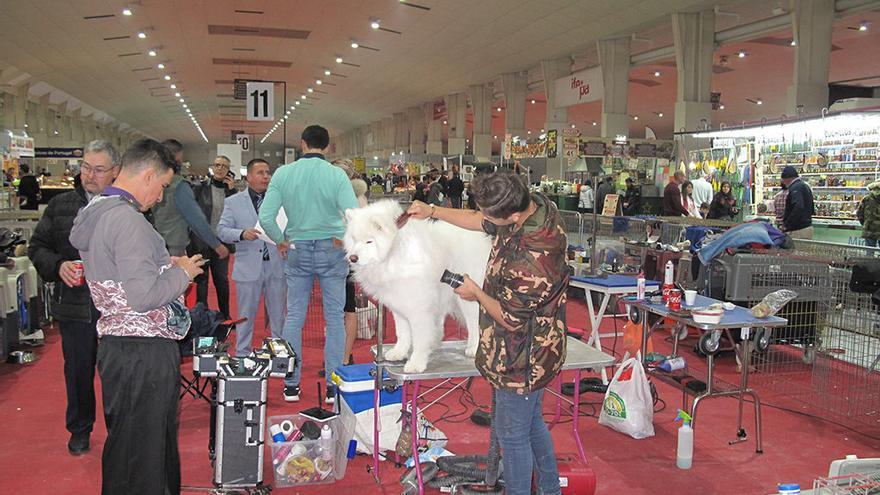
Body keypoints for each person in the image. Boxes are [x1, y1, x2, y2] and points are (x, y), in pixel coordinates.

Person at [406, 170, 567, 495]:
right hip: (528, 347)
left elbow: (512, 319)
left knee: (512, 436)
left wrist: (476, 293)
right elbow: (479, 220)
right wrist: (432, 211)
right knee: (531, 424)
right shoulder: (532, 204)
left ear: (513, 215)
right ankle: (550, 490)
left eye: (491, 215)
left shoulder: (533, 257)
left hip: (523, 357)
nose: (484, 220)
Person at [69, 138, 205, 495]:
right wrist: (183, 273)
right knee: (142, 453)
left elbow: (121, 273)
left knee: (132, 446)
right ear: (147, 176)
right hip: (142, 350)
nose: (160, 197)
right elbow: (143, 296)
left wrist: (163, 265)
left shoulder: (98, 212)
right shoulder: (129, 221)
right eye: (161, 187)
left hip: (121, 347)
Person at [27, 140, 120, 456]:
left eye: (98, 169)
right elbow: (37, 247)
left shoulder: (127, 207)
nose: (89, 175)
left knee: (116, 371)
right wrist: (58, 265)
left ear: (115, 172)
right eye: (85, 167)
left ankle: (118, 428)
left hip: (116, 308)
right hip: (75, 305)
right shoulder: (60, 205)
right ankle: (80, 429)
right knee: (78, 370)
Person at [259, 125, 359, 403]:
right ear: (326, 147)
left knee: (294, 316)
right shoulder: (337, 175)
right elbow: (354, 215)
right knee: (334, 318)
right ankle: (332, 384)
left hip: (296, 248)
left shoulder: (283, 173)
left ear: (302, 144)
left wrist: (280, 240)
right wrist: (343, 238)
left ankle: (291, 383)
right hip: (332, 249)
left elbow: (266, 216)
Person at [217, 158, 287, 356]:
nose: (266, 176)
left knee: (278, 316)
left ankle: (278, 355)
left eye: (267, 172)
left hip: (276, 266)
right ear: (248, 177)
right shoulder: (233, 202)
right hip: (248, 268)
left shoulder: (280, 201)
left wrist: (286, 242)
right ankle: (242, 355)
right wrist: (241, 234)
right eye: (260, 173)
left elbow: (289, 229)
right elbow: (222, 230)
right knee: (245, 316)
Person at [151, 139, 230, 261]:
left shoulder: (151, 180)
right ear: (176, 158)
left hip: (153, 242)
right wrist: (217, 245)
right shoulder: (179, 185)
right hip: (172, 247)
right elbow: (195, 219)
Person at [189, 155, 237, 318]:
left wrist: (231, 191)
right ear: (212, 167)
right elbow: (191, 214)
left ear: (228, 171)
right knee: (201, 280)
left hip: (221, 243)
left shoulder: (231, 192)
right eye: (217, 165)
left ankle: (225, 315)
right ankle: (202, 316)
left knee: (221, 280)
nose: (219, 168)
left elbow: (235, 215)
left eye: (224, 166)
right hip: (200, 242)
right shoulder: (199, 188)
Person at [332, 158, 368, 366]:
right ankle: (340, 356)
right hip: (337, 258)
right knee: (342, 309)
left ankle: (343, 357)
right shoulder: (356, 198)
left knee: (347, 309)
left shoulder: (356, 199)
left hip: (345, 258)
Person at [780, 166, 815, 239]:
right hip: (806, 227)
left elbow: (798, 206)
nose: (783, 182)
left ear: (787, 178)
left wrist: (786, 225)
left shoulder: (795, 187)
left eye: (783, 180)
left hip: (798, 230)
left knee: (795, 250)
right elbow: (811, 208)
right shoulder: (804, 186)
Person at [857, 180, 880, 247]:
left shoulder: (866, 198)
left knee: (869, 252)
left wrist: (865, 223)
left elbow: (859, 213)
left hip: (870, 229)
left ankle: (869, 257)